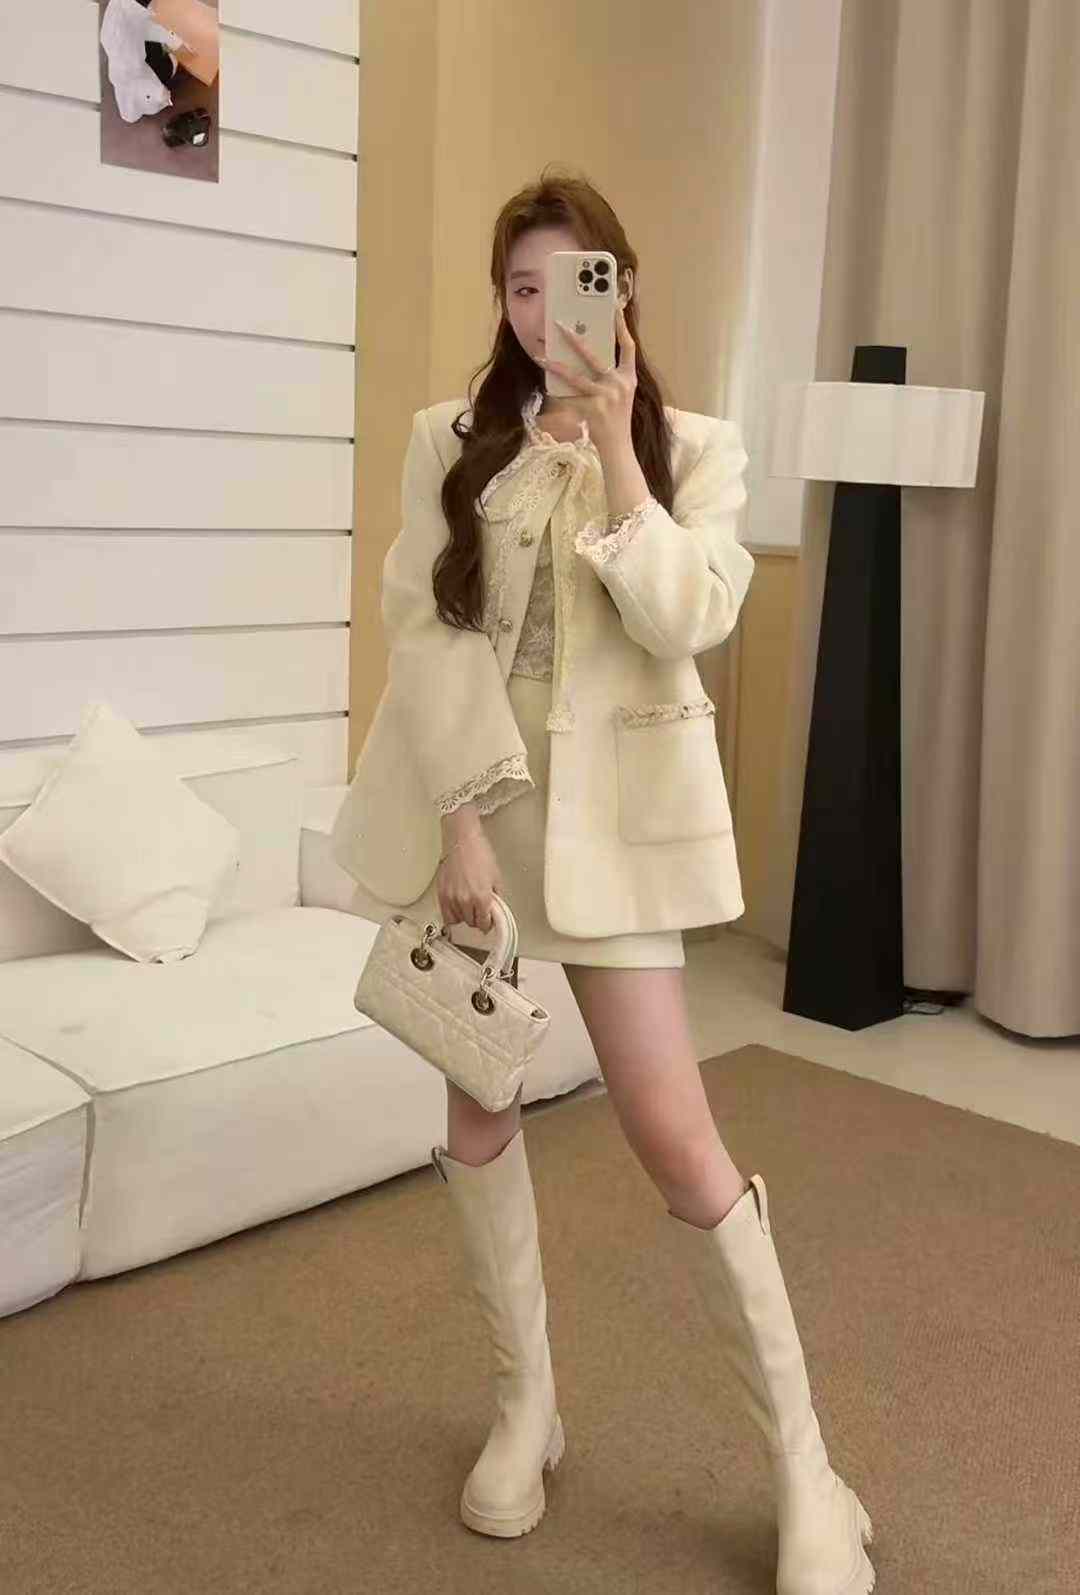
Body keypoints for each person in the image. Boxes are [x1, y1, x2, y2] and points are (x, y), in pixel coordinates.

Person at [331, 168, 875, 1592]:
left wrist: (621, 448)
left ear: (620, 291)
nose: (541, 312)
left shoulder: (697, 449)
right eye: (519, 287)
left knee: (676, 1138)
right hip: (480, 821)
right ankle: (528, 1410)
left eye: (569, 283)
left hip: (618, 836)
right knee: (480, 1104)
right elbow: (426, 627)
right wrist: (460, 822)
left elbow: (689, 616)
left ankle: (807, 1471)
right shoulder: (448, 437)